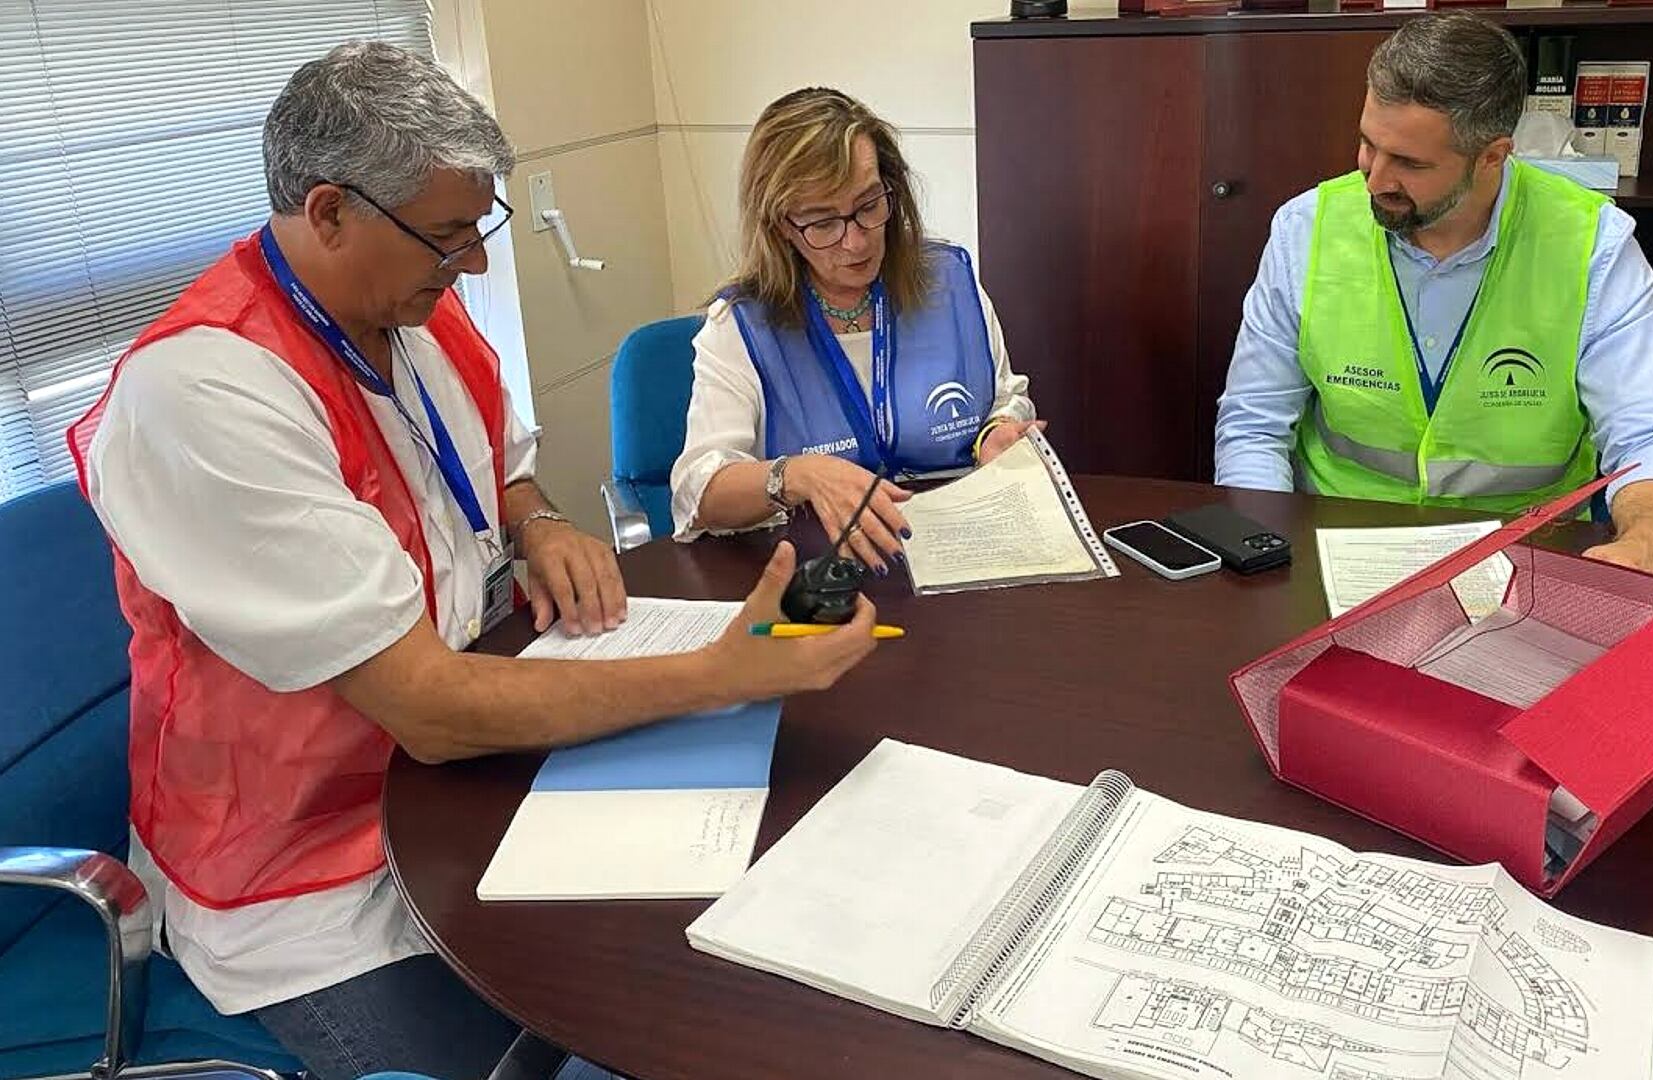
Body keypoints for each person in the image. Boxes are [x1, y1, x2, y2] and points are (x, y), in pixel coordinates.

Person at [70, 42, 876, 1080]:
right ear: (329, 213)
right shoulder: (203, 399)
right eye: (450, 239)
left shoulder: (407, 305)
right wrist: (720, 675)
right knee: (572, 1048)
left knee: (704, 972)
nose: (475, 269)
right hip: (315, 870)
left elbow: (498, 471)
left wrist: (538, 523)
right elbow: (430, 710)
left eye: (475, 230)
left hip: (471, 789)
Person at [1213, 13, 1653, 577]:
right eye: (1368, 144)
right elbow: (1253, 425)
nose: (1375, 180)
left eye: (1410, 163)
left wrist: (1646, 544)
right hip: (1336, 552)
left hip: (1528, 559)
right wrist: (1268, 553)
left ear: (1492, 156)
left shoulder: (1592, 244)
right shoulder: (1306, 228)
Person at [669, 88, 1042, 571]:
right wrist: (799, 475)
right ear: (781, 226)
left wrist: (998, 432)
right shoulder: (740, 327)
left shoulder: (950, 283)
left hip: (956, 554)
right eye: (824, 222)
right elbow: (697, 492)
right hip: (814, 571)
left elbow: (1005, 398)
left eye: (868, 205)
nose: (856, 241)